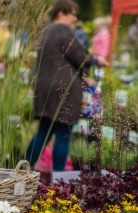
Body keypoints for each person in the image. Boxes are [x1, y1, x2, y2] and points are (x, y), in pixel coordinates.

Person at [26, 0, 108, 171]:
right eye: (72, 14)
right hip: (62, 91)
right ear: (61, 13)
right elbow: (79, 55)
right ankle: (58, 180)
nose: (75, 18)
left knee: (43, 131)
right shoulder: (63, 30)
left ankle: (23, 169)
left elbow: (60, 61)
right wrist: (96, 60)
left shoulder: (45, 31)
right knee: (63, 134)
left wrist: (83, 77)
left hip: (45, 90)